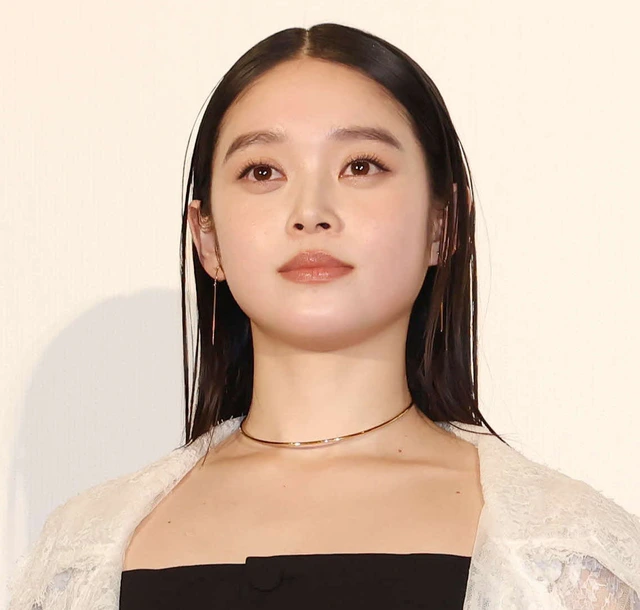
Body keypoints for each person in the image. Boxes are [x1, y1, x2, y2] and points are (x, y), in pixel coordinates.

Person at [8, 22, 640, 610]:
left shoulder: (563, 556)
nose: (310, 212)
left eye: (361, 167)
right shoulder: (82, 557)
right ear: (208, 238)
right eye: (263, 171)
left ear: (442, 223)